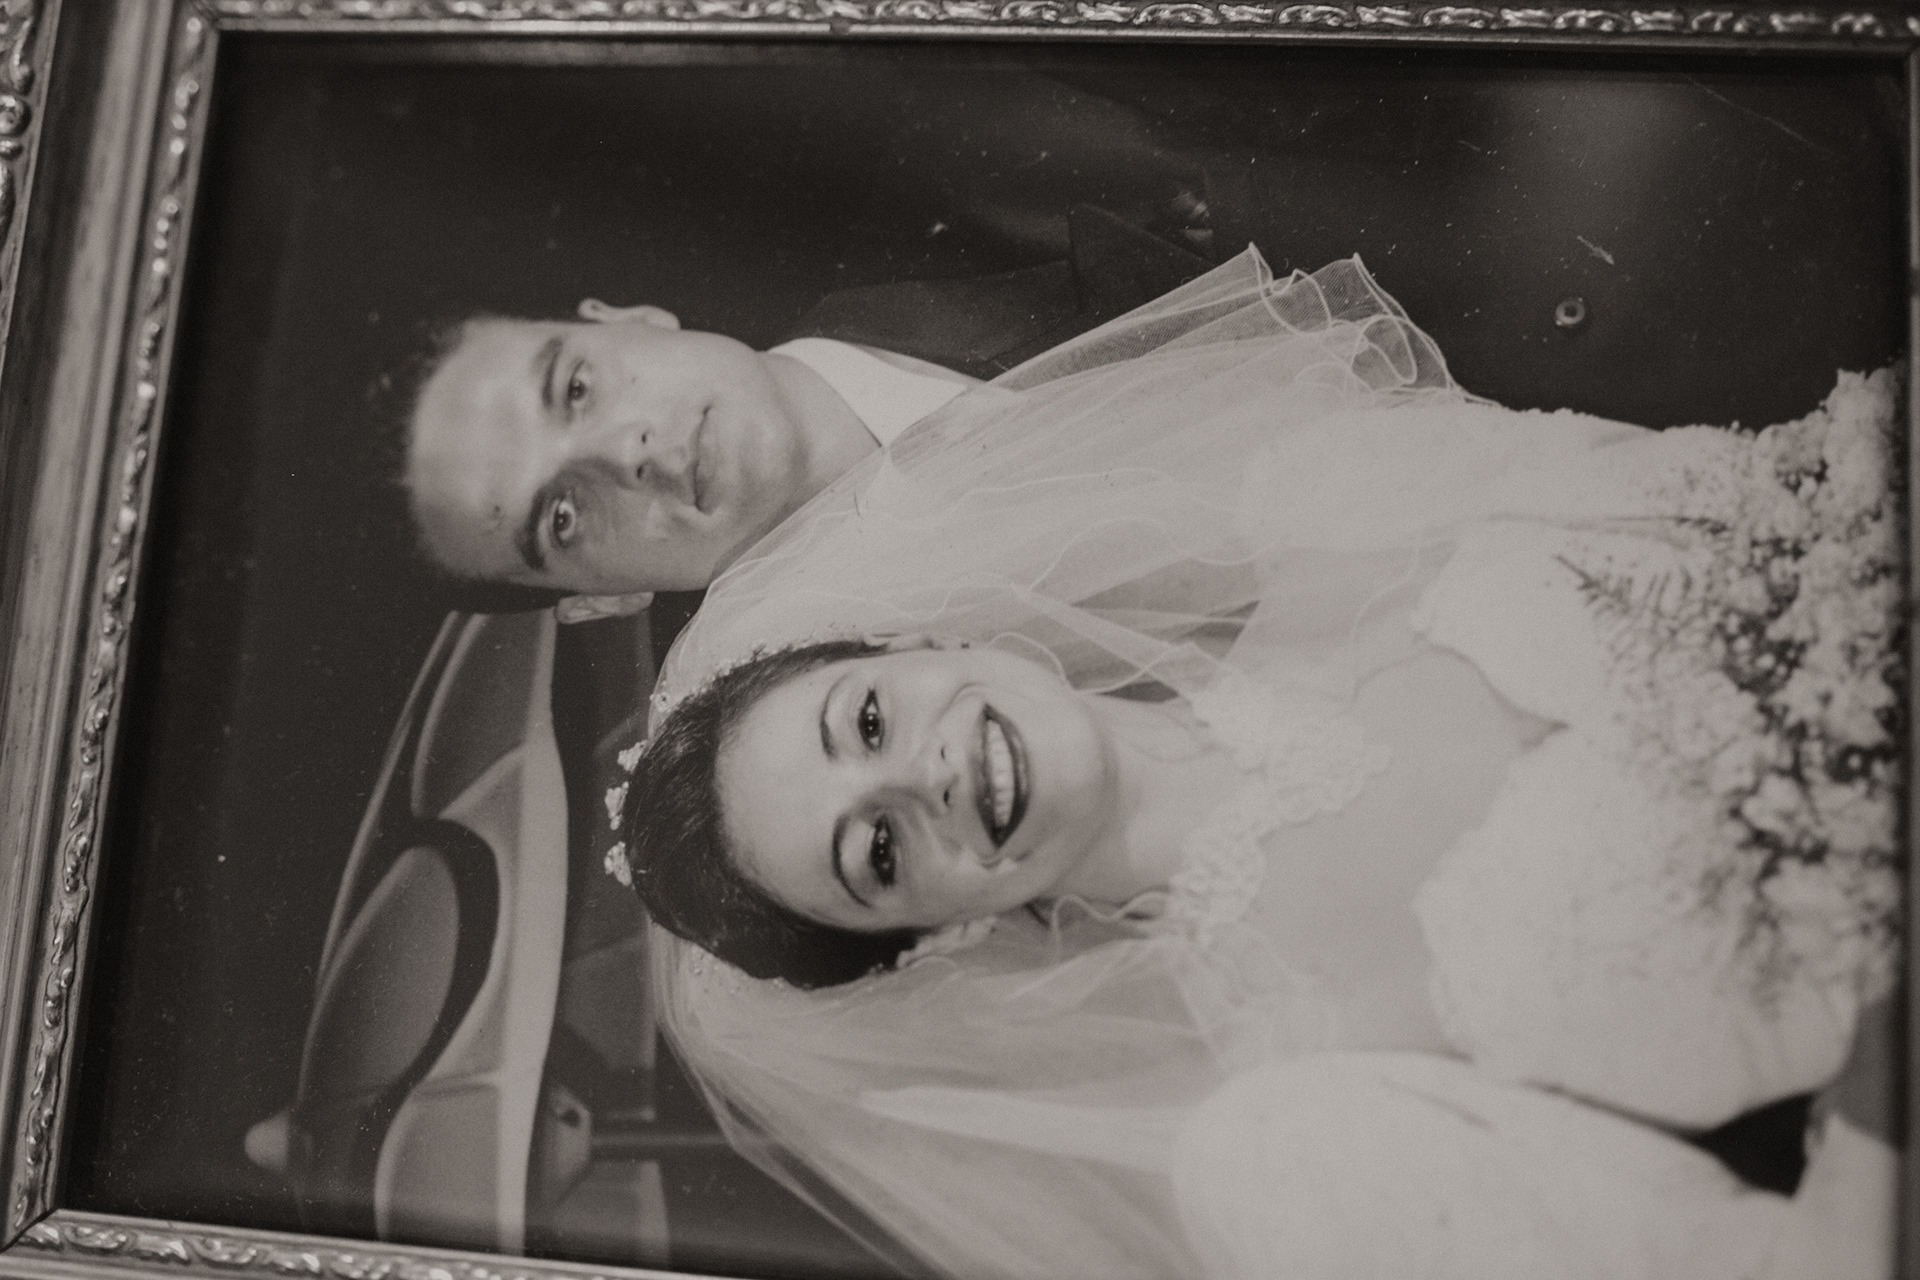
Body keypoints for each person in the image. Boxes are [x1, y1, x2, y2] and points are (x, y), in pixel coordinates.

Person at [612, 248, 1902, 1278]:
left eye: (866, 723)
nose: (916, 779)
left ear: (926, 641)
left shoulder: (1329, 497)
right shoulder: (1289, 1124)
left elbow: (1806, 489)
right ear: (925, 940)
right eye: (877, 850)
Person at [398, 209, 1212, 611]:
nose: (623, 455)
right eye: (563, 519)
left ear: (632, 319)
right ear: (599, 602)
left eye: (575, 389)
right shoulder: (873, 750)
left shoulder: (997, 202)